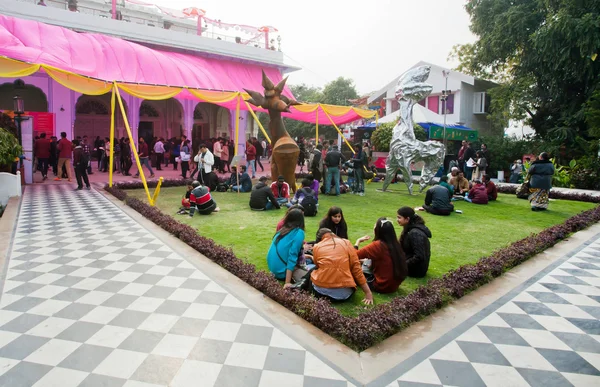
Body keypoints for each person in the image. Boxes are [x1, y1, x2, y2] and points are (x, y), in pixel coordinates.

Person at [310, 228, 373, 304]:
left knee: (313, 271)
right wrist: (368, 293)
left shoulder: (317, 246)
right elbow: (357, 270)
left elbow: (317, 265)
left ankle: (300, 285)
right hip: (344, 294)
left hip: (320, 292)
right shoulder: (346, 243)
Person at [354, 218, 408, 293]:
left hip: (382, 285)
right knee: (366, 262)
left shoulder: (378, 245)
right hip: (394, 285)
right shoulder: (395, 244)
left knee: (354, 270)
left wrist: (357, 242)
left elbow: (354, 256)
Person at [266, 208, 306, 286]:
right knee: (311, 276)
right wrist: (287, 282)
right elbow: (292, 257)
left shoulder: (282, 230)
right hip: (281, 272)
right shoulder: (299, 233)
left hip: (273, 268)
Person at [397, 207, 432, 278]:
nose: (397, 220)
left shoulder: (415, 233)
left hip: (416, 270)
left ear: (407, 219)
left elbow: (419, 256)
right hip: (410, 263)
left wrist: (402, 265)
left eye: (399, 218)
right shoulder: (410, 228)